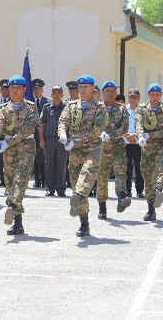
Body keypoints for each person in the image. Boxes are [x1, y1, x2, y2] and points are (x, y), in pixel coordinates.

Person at [58, 75, 107, 237]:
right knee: (76, 185)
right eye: (80, 87)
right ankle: (84, 223)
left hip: (92, 149)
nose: (83, 90)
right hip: (75, 152)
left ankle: (77, 196)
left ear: (93, 88)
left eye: (86, 87)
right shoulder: (71, 106)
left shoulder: (100, 107)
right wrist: (63, 134)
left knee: (85, 178)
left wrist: (76, 139)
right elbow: (63, 122)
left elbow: (97, 130)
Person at [0, 75, 38, 235]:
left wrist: (8, 142)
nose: (14, 90)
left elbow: (29, 129)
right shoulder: (3, 109)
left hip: (26, 148)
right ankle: (18, 223)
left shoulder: (31, 107)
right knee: (10, 183)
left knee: (20, 179)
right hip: (9, 152)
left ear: (24, 89)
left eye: (18, 87)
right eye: (12, 87)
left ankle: (11, 206)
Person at [135, 83, 163, 222]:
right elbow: (138, 123)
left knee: (162, 167)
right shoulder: (142, 109)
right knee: (148, 176)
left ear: (161, 95)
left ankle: (158, 190)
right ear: (149, 95)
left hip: (162, 145)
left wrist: (151, 135)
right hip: (147, 147)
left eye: (158, 94)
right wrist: (140, 136)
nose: (155, 97)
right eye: (153, 94)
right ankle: (151, 209)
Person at [96, 81, 130, 220]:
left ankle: (121, 198)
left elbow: (124, 128)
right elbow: (92, 125)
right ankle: (102, 208)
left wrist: (111, 134)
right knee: (102, 176)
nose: (110, 93)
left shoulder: (122, 109)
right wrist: (100, 133)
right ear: (103, 93)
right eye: (108, 91)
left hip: (117, 146)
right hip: (102, 148)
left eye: (112, 91)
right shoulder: (97, 108)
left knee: (121, 173)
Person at [39, 85, 67, 197]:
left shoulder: (66, 107)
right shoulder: (46, 107)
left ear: (62, 95)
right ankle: (49, 188)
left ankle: (61, 189)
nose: (56, 95)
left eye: (58, 93)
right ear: (51, 95)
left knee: (61, 165)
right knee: (49, 164)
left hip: (62, 140)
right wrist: (41, 139)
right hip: (49, 140)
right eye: (54, 93)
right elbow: (41, 124)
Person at [124, 89, 144, 198]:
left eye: (135, 96)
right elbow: (120, 126)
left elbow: (145, 126)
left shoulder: (143, 110)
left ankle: (140, 190)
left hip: (138, 142)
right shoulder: (123, 110)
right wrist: (128, 136)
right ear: (128, 97)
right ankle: (127, 190)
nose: (133, 98)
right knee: (127, 168)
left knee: (139, 168)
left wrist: (135, 136)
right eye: (131, 96)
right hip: (126, 142)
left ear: (139, 98)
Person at [31, 78, 49, 188]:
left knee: (42, 158)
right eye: (35, 89)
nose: (36, 91)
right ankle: (36, 180)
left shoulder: (46, 103)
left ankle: (44, 180)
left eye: (39, 89)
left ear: (42, 90)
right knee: (34, 158)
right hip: (32, 134)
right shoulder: (29, 102)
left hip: (43, 134)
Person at [64, 80, 79, 189]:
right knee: (65, 160)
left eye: (74, 90)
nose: (72, 92)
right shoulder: (65, 103)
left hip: (78, 136)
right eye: (70, 90)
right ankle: (67, 180)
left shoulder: (81, 103)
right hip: (66, 135)